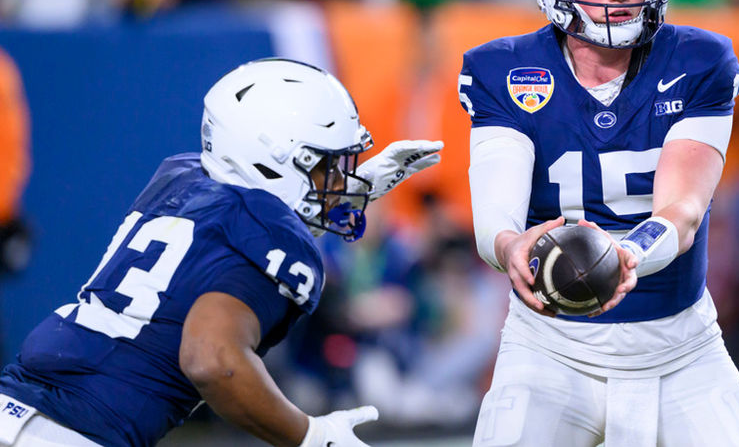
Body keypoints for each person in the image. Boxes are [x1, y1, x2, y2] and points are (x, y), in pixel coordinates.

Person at [458, 0, 739, 445]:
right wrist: (512, 246)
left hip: (682, 350)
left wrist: (627, 255)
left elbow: (681, 209)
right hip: (550, 351)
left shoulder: (699, 61)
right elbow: (497, 208)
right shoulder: (505, 69)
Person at [0, 58, 443, 447]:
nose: (338, 181)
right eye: (325, 166)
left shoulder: (183, 179)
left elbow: (233, 228)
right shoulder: (274, 239)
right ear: (274, 159)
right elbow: (210, 359)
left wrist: (342, 194)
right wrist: (309, 436)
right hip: (77, 431)